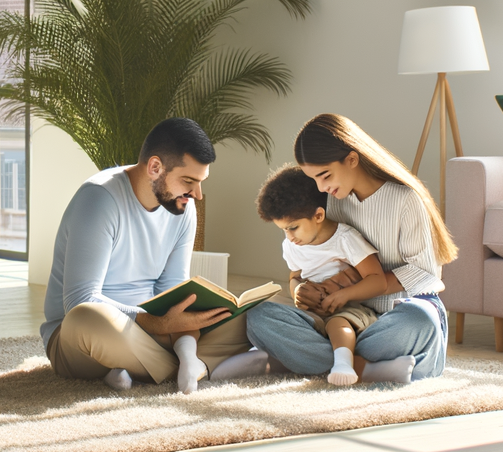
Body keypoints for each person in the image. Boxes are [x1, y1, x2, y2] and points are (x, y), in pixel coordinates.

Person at [42, 117, 254, 393]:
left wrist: (182, 339)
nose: (197, 194)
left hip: (154, 332)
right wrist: (154, 322)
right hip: (81, 338)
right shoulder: (98, 199)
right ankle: (191, 368)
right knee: (87, 318)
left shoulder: (183, 208)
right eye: (189, 180)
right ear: (155, 167)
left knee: (244, 318)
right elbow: (79, 300)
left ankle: (158, 366)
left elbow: (173, 290)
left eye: (201, 182)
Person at [241, 113, 455, 383]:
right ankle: (367, 368)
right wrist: (303, 291)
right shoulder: (329, 200)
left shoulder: (405, 200)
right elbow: (309, 263)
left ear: (352, 160)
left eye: (325, 175)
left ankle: (330, 362)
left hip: (394, 316)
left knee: (421, 319)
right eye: (314, 179)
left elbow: (424, 272)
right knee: (259, 317)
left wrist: (353, 285)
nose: (320, 187)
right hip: (340, 318)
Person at [256, 165, 397, 385]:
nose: (289, 236)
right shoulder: (292, 245)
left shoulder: (345, 239)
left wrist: (344, 296)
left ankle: (343, 363)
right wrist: (298, 292)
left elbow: (378, 280)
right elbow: (295, 276)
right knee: (261, 313)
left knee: (338, 324)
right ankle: (355, 361)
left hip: (346, 308)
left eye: (293, 227)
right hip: (311, 311)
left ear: (318, 215)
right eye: (283, 229)